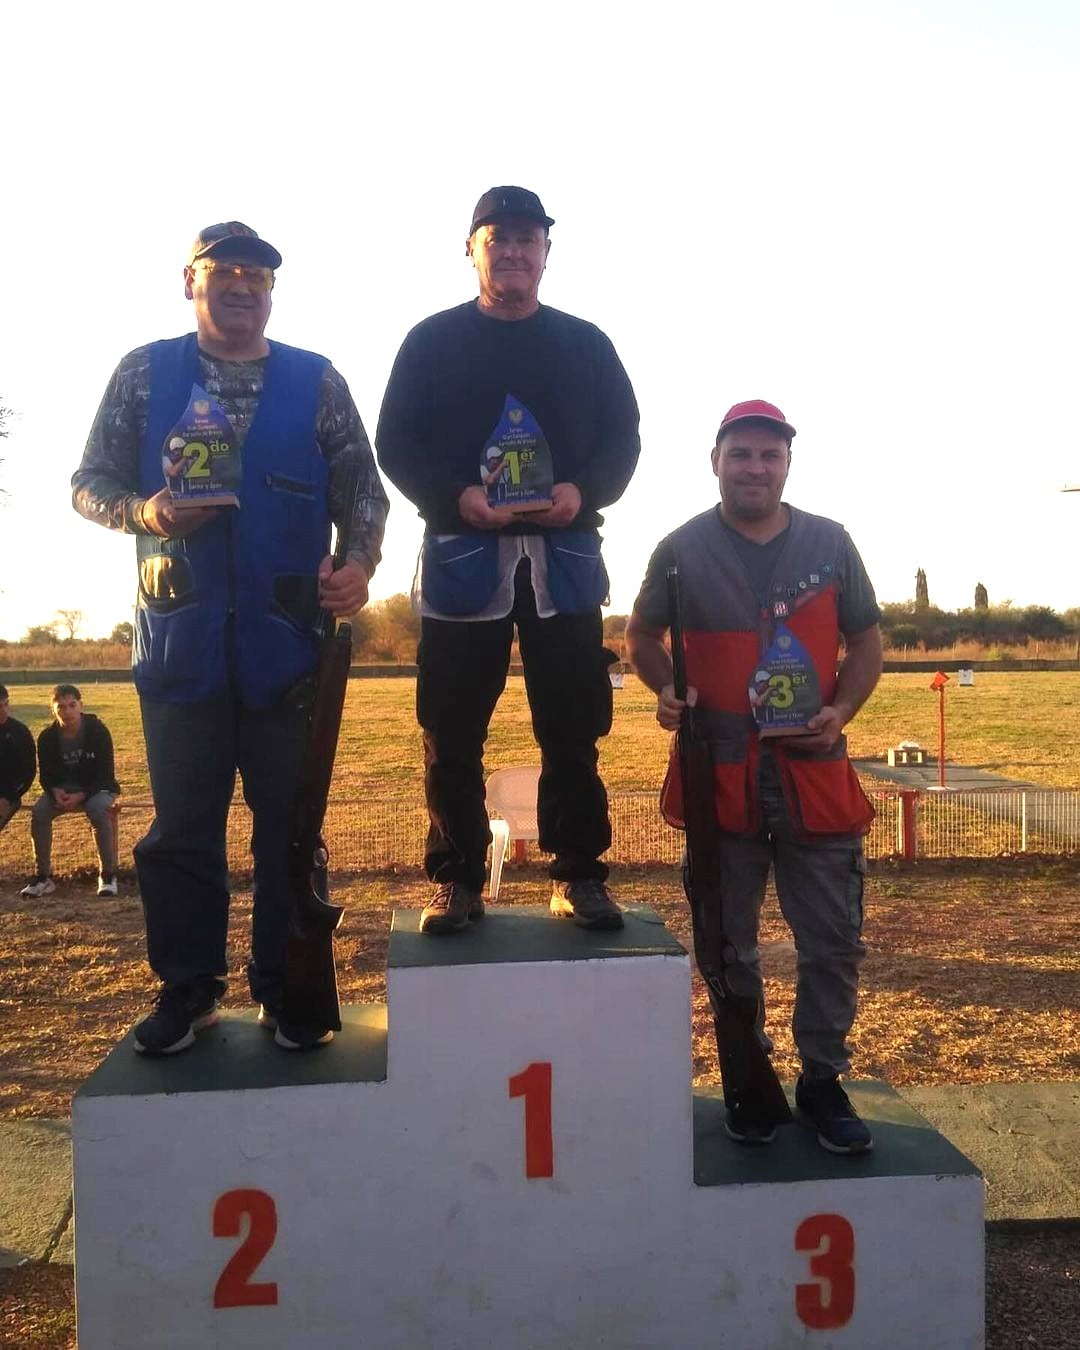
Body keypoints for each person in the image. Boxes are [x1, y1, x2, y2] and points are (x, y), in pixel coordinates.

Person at [72, 221, 388, 1055]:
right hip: (178, 647)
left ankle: (286, 991)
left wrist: (357, 564)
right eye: (225, 271)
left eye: (257, 274)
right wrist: (144, 511)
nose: (243, 286)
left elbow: (365, 492)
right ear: (190, 281)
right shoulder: (144, 374)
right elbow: (88, 484)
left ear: (271, 291)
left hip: (290, 653)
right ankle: (189, 992)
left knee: (289, 826)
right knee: (181, 832)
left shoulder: (318, 382)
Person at [377, 186, 640, 935]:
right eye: (499, 239)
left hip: (564, 559)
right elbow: (396, 441)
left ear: (547, 253)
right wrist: (455, 494)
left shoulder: (586, 344)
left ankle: (579, 874)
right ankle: (457, 879)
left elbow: (624, 439)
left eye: (528, 240)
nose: (515, 252)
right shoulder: (431, 342)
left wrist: (583, 489)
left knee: (573, 722)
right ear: (472, 250)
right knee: (450, 728)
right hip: (465, 555)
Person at [625, 399, 882, 1155]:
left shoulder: (832, 544)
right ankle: (747, 1074)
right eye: (741, 454)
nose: (755, 468)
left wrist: (840, 709)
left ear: (787, 465)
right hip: (719, 774)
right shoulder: (677, 550)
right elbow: (641, 637)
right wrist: (665, 687)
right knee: (728, 942)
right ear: (716, 462)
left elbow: (867, 643)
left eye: (769, 456)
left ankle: (822, 1082)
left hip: (813, 771)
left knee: (832, 940)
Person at [20, 685, 120, 897]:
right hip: (63, 791)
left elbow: (106, 774)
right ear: (53, 710)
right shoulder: (47, 737)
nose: (67, 711)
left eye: (72, 705)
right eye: (61, 707)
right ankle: (43, 877)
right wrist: (55, 791)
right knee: (39, 812)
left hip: (98, 788)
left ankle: (108, 874)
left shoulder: (97, 731)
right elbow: (46, 775)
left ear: (80, 706)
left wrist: (81, 795)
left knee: (98, 810)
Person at [0, 685, 36, 837]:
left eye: (5, 704)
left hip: (7, 795)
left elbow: (28, 773)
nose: (2, 711)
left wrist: (8, 797)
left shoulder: (19, 733)